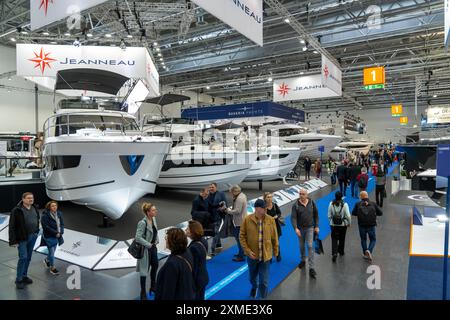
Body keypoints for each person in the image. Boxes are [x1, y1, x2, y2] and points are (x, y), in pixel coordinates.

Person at [240, 199, 279, 299]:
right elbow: (242, 236)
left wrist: (276, 250)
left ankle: (263, 298)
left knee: (264, 281)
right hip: (252, 256)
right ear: (257, 208)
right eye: (263, 207)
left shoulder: (270, 220)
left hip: (265, 256)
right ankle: (254, 286)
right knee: (252, 278)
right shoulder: (247, 219)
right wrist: (247, 251)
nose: (266, 209)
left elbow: (274, 236)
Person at [9, 192, 40, 289]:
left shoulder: (34, 207)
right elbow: (12, 226)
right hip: (22, 238)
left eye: (32, 198)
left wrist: (37, 231)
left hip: (33, 236)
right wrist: (13, 241)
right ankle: (18, 279)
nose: (31, 199)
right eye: (28, 198)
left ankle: (24, 276)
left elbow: (37, 219)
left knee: (28, 258)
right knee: (23, 257)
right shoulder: (17, 210)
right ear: (23, 199)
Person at [155, 228, 195, 300]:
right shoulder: (187, 252)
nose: (165, 240)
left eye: (166, 238)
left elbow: (168, 292)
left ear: (172, 241)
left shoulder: (172, 264)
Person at [291, 189, 319, 279]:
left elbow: (316, 215)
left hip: (310, 228)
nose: (301, 195)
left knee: (310, 246)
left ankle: (311, 268)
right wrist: (295, 228)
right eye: (300, 194)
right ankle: (303, 260)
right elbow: (293, 218)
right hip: (300, 229)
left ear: (307, 195)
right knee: (301, 246)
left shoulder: (312, 203)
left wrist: (317, 226)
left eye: (303, 194)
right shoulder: (295, 205)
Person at [135, 202, 160, 300]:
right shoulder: (142, 223)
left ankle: (153, 286)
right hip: (146, 249)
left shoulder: (153, 219)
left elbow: (155, 231)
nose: (155, 211)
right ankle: (142, 292)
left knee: (155, 265)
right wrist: (149, 245)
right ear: (148, 212)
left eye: (155, 209)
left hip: (153, 248)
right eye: (153, 210)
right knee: (144, 271)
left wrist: (156, 240)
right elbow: (137, 237)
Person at [352, 191, 383, 262]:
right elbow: (380, 213)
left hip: (361, 225)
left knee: (363, 239)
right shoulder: (373, 204)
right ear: (367, 196)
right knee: (373, 239)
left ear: (361, 197)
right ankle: (369, 250)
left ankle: (365, 253)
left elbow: (353, 213)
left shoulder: (358, 204)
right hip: (371, 225)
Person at [186, 221, 209, 300]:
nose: (186, 230)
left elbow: (194, 267)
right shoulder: (203, 240)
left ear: (193, 231)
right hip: (203, 276)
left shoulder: (193, 247)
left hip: (196, 280)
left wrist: (190, 283)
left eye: (187, 229)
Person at [40, 201, 64, 275]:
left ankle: (47, 260)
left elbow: (62, 224)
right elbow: (46, 227)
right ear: (49, 207)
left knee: (52, 252)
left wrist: (61, 232)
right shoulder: (45, 215)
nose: (54, 207)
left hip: (57, 235)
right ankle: (52, 268)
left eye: (55, 206)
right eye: (53, 206)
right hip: (49, 236)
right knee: (52, 252)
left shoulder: (59, 213)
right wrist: (55, 233)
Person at [225, 185, 247, 262]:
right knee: (241, 238)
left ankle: (241, 256)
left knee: (239, 239)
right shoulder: (242, 195)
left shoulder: (239, 199)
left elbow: (237, 211)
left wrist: (228, 211)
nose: (231, 194)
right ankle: (242, 252)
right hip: (242, 220)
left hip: (239, 222)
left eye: (231, 192)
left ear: (235, 191)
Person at [327, 192, 351, 262]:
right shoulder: (345, 204)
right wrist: (349, 223)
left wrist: (331, 222)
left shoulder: (331, 203)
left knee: (334, 239)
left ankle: (334, 253)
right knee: (342, 238)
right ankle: (341, 251)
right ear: (342, 197)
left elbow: (329, 215)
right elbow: (348, 216)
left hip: (333, 225)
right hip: (343, 225)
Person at [207, 183, 227, 254]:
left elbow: (225, 204)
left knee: (216, 232)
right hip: (211, 217)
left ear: (216, 187)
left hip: (219, 216)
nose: (211, 189)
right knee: (216, 231)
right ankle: (219, 244)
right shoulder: (208, 195)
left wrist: (222, 209)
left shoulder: (221, 194)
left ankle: (212, 248)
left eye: (212, 187)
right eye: (210, 187)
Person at [264, 192, 283, 262]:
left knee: (276, 242)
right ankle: (269, 257)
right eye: (268, 197)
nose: (269, 198)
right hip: (267, 228)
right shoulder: (263, 207)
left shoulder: (275, 205)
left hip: (276, 227)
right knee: (268, 243)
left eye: (270, 197)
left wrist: (277, 216)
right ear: (265, 198)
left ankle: (278, 255)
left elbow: (279, 213)